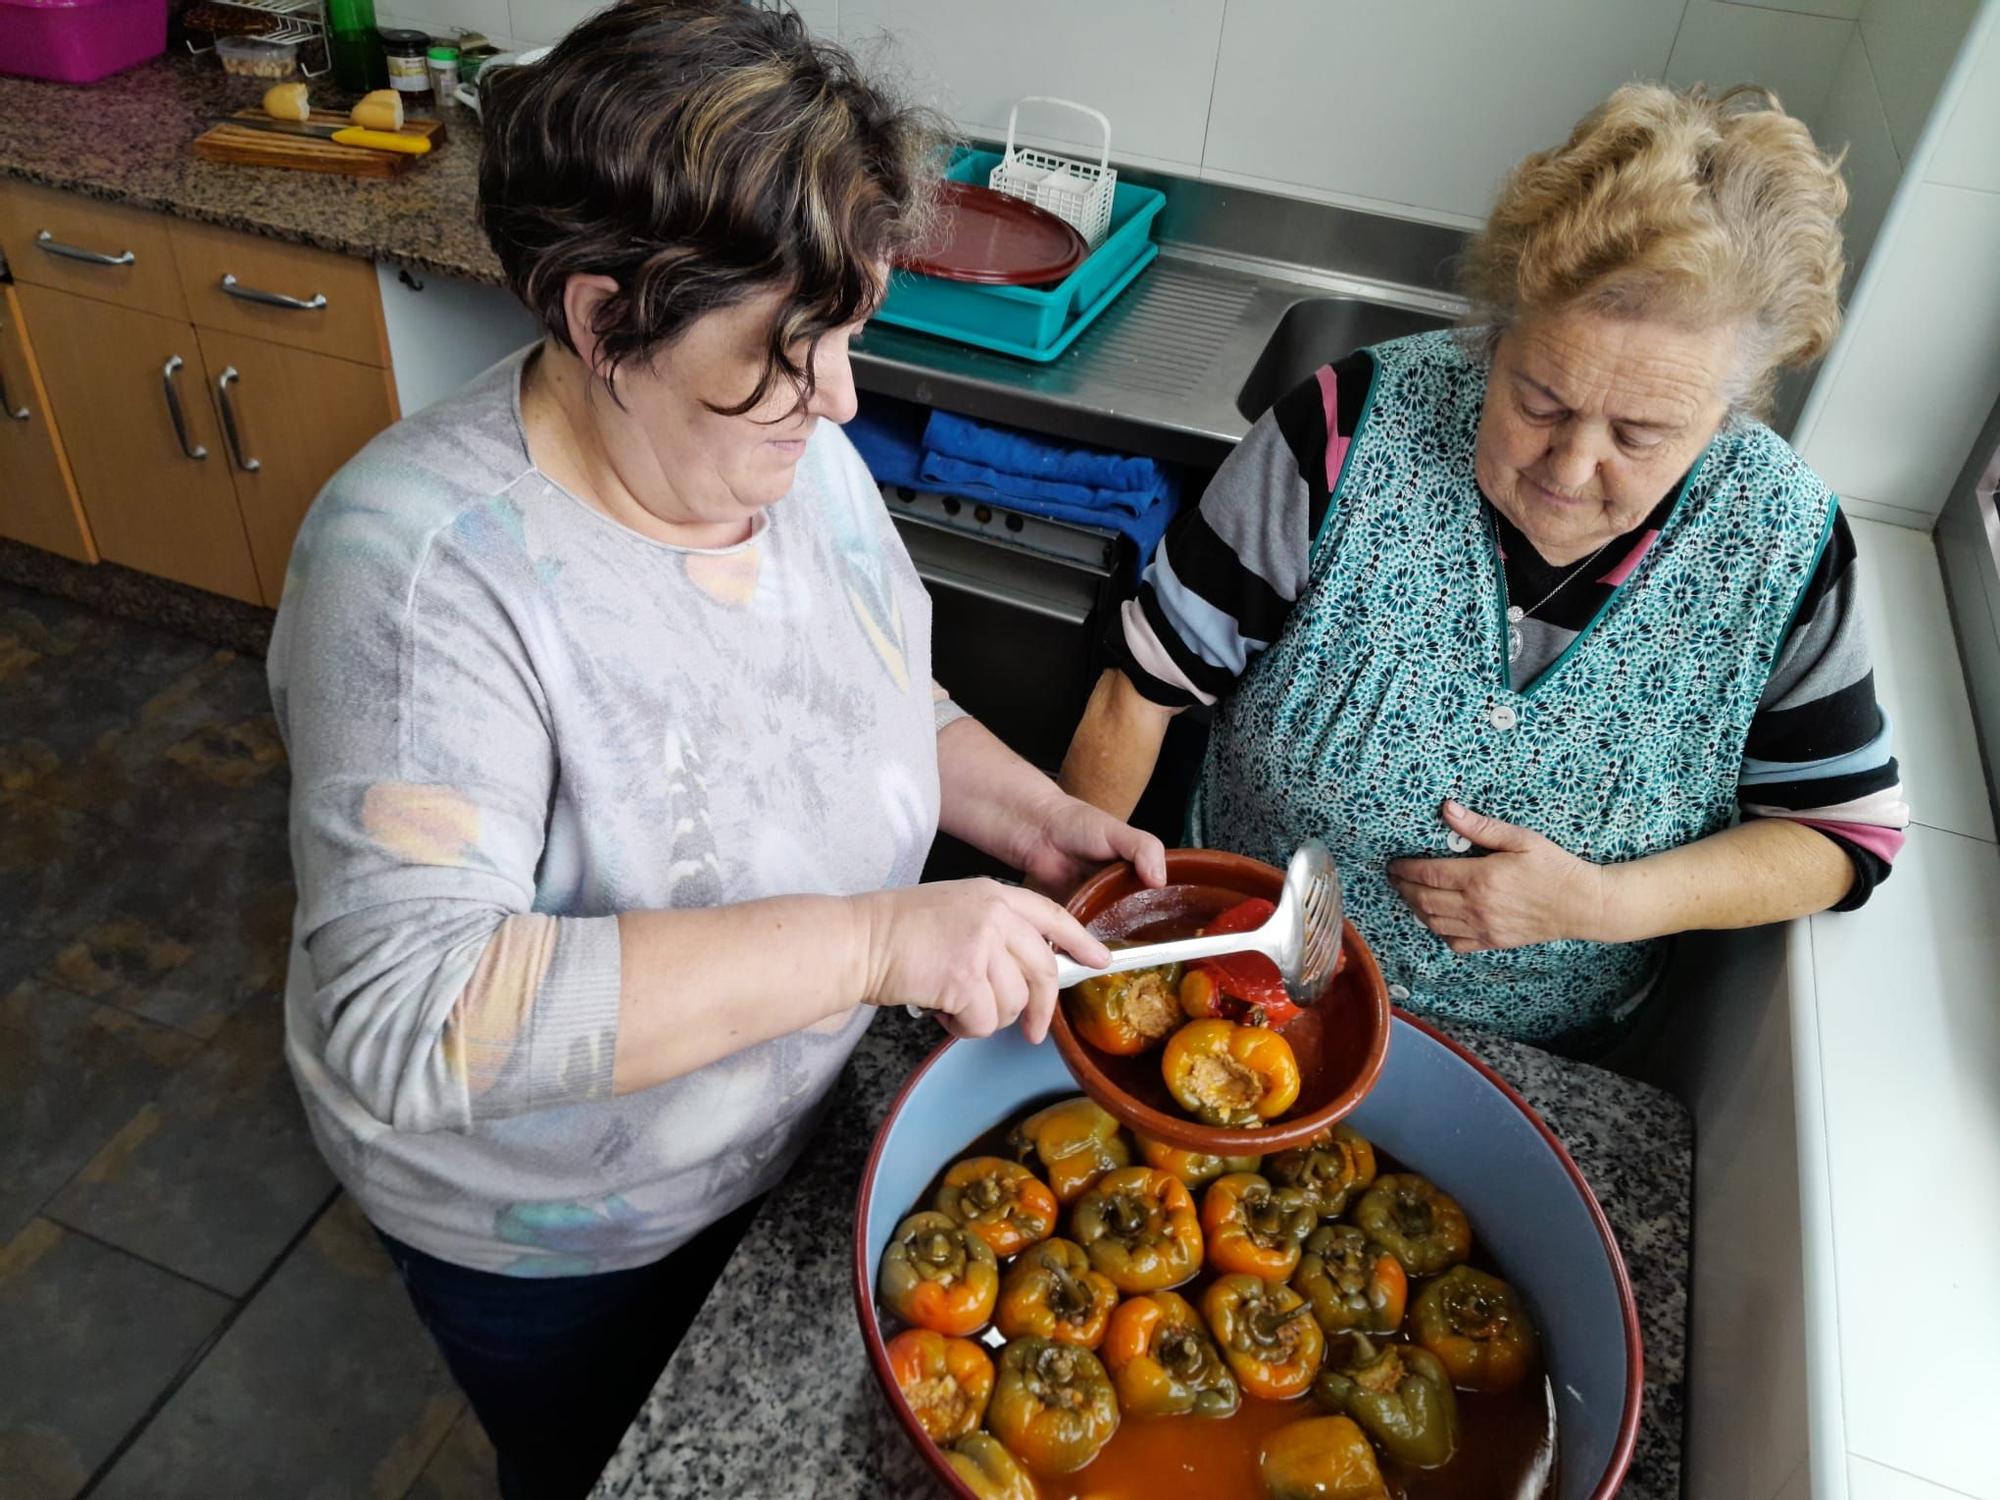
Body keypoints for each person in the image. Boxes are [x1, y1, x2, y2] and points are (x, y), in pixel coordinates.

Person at [265, 5, 1161, 1495]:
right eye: (792, 353)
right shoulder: (423, 575)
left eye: (850, 336)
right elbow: (413, 1019)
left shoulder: (771, 449)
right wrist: (880, 941)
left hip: (782, 1133)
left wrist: (1031, 816)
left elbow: (886, 698)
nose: (846, 399)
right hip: (563, 1239)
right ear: (602, 318)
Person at [1061, 83, 1908, 1057]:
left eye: (1639, 433)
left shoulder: (1778, 542)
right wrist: (1066, 944)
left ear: (1727, 410)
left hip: (1537, 1059)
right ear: (1494, 332)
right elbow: (1138, 697)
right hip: (1231, 995)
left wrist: (1599, 903)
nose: (1570, 466)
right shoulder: (1338, 433)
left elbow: (1843, 838)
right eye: (1539, 399)